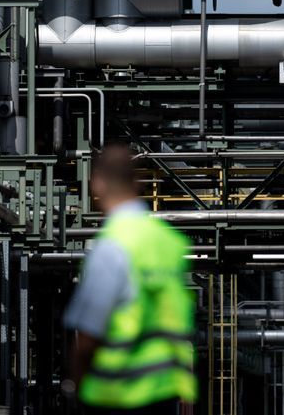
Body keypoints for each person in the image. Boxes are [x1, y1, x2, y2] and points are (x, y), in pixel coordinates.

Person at [62, 143, 196, 414]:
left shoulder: (114, 243)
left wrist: (78, 389)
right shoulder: (168, 240)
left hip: (121, 393)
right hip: (165, 390)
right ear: (136, 183)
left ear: (97, 184)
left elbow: (87, 336)